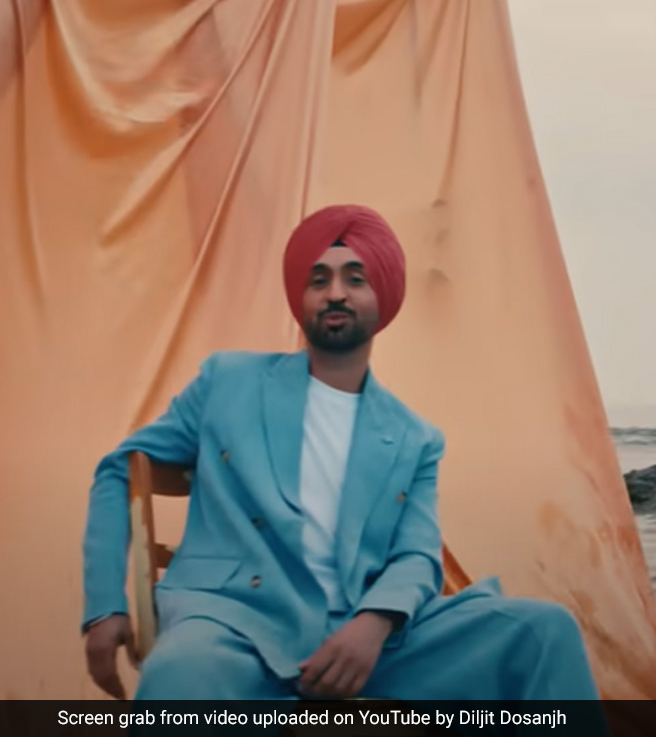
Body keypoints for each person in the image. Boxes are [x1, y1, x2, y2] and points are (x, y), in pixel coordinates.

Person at [81, 204, 603, 702]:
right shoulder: (228, 382)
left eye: (355, 279)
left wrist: (373, 625)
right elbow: (118, 469)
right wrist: (106, 606)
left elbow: (417, 555)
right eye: (318, 279)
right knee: (180, 676)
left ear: (382, 296)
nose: (335, 293)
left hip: (367, 639)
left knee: (543, 632)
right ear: (301, 296)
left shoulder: (413, 437)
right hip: (233, 626)